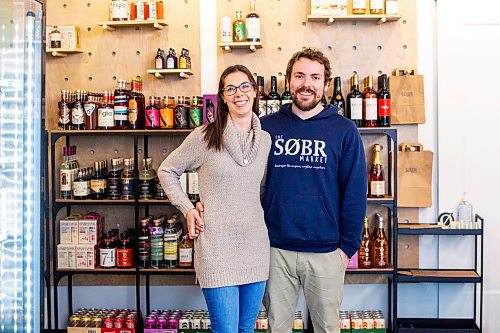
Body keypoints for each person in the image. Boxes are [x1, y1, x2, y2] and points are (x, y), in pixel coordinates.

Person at [157, 64, 271, 333]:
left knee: (247, 329)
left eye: (244, 86)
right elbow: (166, 170)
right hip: (217, 249)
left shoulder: (265, 140)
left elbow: (261, 190)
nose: (238, 93)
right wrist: (188, 209)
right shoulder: (204, 137)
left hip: (255, 248)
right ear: (222, 97)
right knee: (226, 330)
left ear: (255, 92)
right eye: (230, 88)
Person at [260, 48, 367, 333]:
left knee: (326, 329)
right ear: (288, 81)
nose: (306, 84)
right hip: (275, 250)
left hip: (327, 252)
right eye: (299, 76)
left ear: (325, 85)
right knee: (277, 329)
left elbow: (355, 193)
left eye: (315, 77)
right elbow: (249, 183)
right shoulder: (265, 127)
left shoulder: (344, 131)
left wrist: (347, 248)